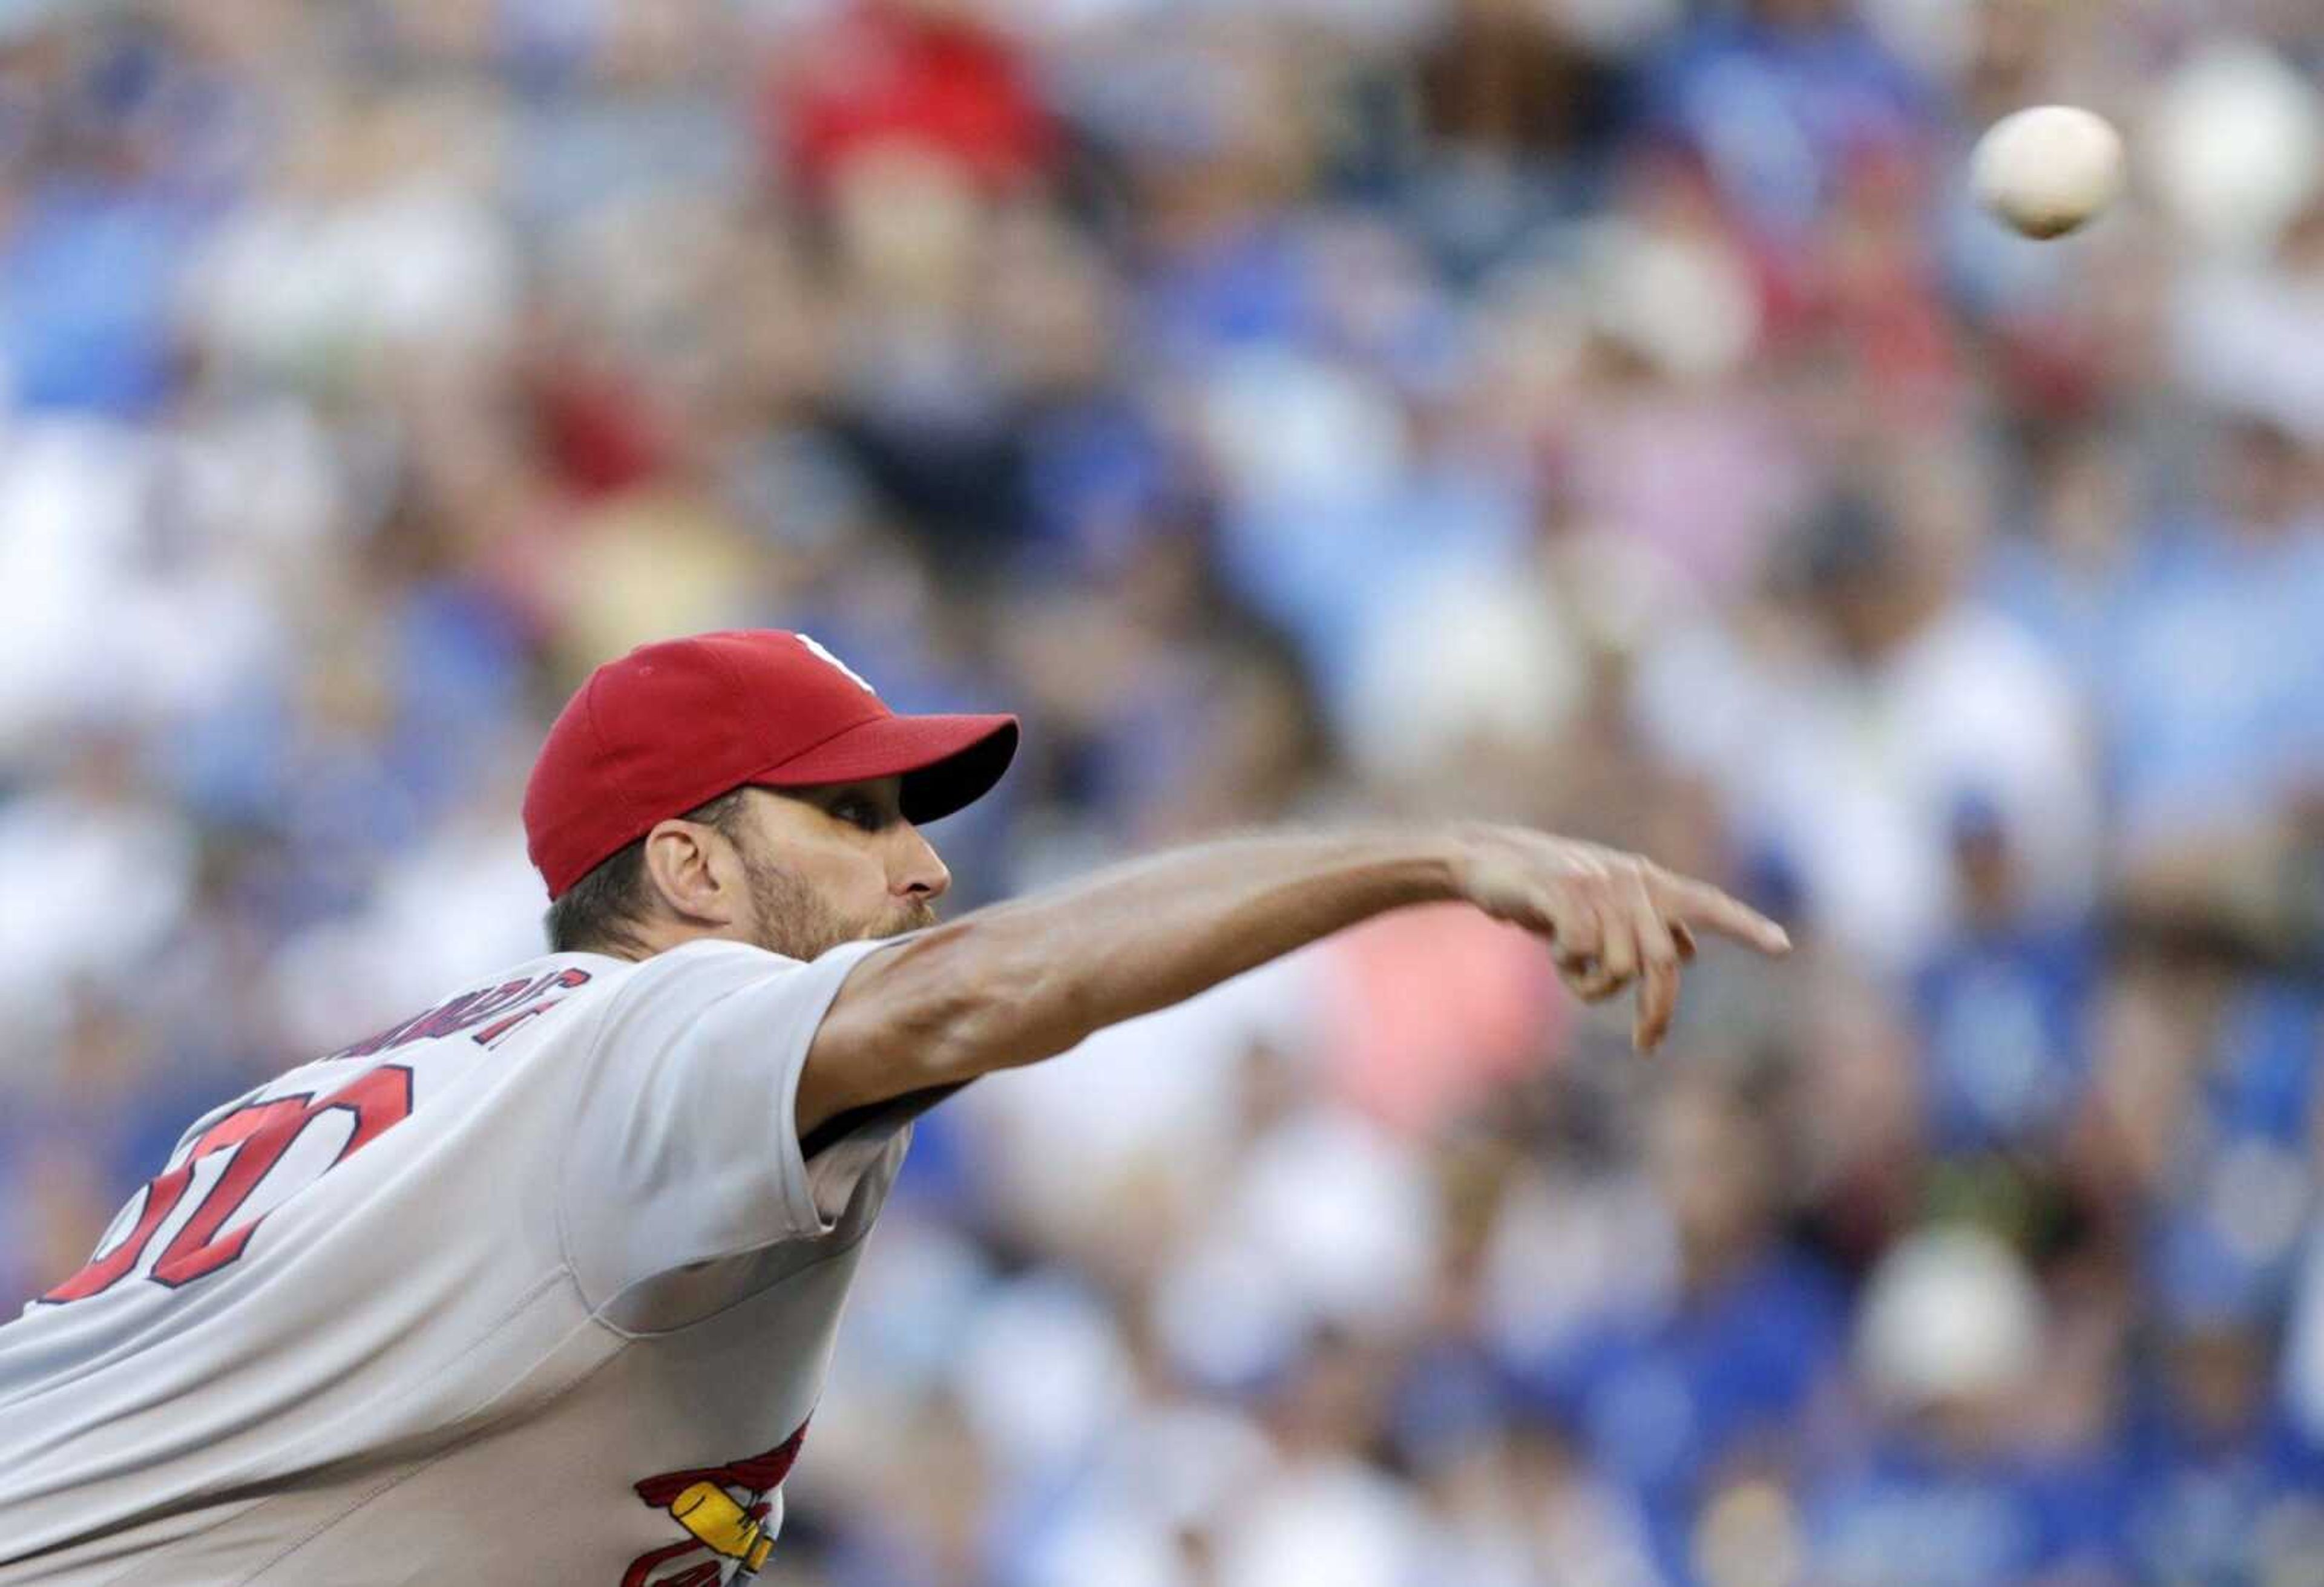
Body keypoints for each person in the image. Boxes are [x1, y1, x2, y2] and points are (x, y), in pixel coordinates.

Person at [0, 629, 1789, 1585]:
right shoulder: (664, 1032)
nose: (923, 868)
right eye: (855, 818)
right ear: (689, 866)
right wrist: (1421, 853)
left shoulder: (378, 1085)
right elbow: (989, 994)